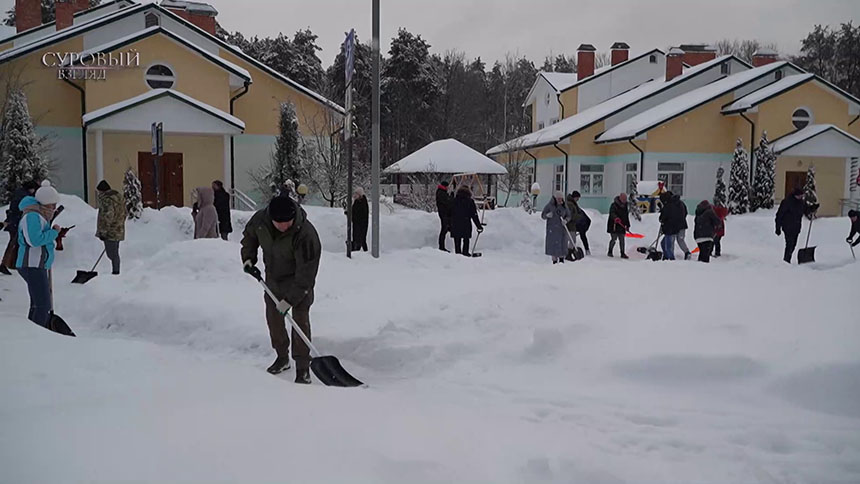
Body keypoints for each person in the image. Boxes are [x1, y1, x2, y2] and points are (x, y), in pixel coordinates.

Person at [241, 196, 322, 383]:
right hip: (273, 280)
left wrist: (290, 300)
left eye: (288, 223)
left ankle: (303, 367)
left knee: (300, 320)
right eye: (280, 223)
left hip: (299, 283)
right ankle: (282, 357)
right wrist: (248, 258)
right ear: (271, 218)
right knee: (274, 318)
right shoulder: (261, 221)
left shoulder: (306, 234)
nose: (285, 226)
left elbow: (306, 275)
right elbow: (249, 237)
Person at [16, 181, 61, 329]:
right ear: (44, 203)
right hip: (31, 264)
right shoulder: (32, 216)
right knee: (43, 305)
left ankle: (32, 331)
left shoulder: (39, 215)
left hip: (37, 264)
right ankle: (38, 337)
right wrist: (54, 233)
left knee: (37, 303)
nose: (54, 208)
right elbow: (34, 240)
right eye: (52, 205)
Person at [2, 180, 39, 275]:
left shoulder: (20, 193)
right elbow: (20, 209)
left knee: (14, 243)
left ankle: (9, 264)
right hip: (16, 222)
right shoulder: (24, 197)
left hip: (13, 221)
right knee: (14, 243)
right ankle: (5, 264)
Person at [775, 188, 818, 264]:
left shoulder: (801, 202)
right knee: (789, 244)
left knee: (793, 244)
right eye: (800, 196)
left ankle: (787, 259)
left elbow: (806, 210)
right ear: (795, 195)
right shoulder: (787, 202)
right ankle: (786, 260)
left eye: (802, 195)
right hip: (787, 227)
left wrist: (812, 208)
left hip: (796, 227)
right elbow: (779, 215)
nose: (801, 197)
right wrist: (778, 227)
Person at [95, 180, 125, 275]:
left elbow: (107, 216)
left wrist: (103, 232)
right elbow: (124, 213)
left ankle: (116, 272)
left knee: (111, 253)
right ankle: (116, 270)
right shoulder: (119, 198)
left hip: (110, 231)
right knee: (114, 251)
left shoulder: (107, 200)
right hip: (118, 229)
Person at [451, 185, 482, 256]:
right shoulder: (470, 201)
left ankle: (457, 254)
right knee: (466, 239)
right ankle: (465, 253)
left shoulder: (454, 200)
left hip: (455, 223)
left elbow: (450, 213)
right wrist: (478, 226)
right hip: (466, 223)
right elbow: (474, 215)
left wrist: (449, 224)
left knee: (457, 240)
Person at [543, 192, 571, 264]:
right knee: (553, 246)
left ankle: (562, 260)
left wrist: (566, 220)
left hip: (562, 230)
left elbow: (569, 216)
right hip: (552, 230)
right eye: (558, 198)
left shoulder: (564, 206)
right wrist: (547, 215)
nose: (559, 200)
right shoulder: (549, 206)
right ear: (555, 198)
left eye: (561, 198)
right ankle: (554, 261)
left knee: (562, 245)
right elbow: (543, 215)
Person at [658, 192, 685, 260]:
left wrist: (662, 218)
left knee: (668, 246)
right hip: (673, 227)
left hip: (670, 228)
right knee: (664, 243)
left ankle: (671, 258)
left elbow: (663, 217)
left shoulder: (669, 205)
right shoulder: (676, 204)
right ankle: (666, 256)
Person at [566, 190, 591, 256]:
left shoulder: (573, 203)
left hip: (573, 225)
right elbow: (571, 215)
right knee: (572, 240)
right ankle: (568, 253)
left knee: (572, 240)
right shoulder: (570, 204)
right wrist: (578, 217)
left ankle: (569, 252)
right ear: (574, 197)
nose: (578, 200)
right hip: (571, 225)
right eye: (577, 198)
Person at [607, 193, 630, 259]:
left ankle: (622, 253)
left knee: (622, 239)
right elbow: (612, 213)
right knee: (613, 239)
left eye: (625, 199)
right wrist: (616, 218)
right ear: (620, 198)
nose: (625, 200)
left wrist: (627, 225)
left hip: (621, 225)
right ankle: (610, 251)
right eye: (623, 199)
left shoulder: (625, 205)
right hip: (614, 225)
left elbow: (626, 216)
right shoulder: (614, 205)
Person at [435, 180, 453, 252]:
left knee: (445, 229)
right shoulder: (441, 193)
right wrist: (451, 197)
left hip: (444, 213)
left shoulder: (441, 192)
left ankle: (442, 246)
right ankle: (441, 246)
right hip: (444, 214)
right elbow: (447, 202)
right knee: (444, 229)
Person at [673, 193, 692, 260]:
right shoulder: (682, 204)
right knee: (680, 240)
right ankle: (687, 252)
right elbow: (685, 213)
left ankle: (670, 254)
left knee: (672, 239)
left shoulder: (673, 205)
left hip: (675, 225)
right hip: (683, 224)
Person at [351, 187, 369, 252]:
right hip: (356, 223)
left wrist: (354, 216)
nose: (355, 195)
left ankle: (363, 251)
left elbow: (361, 213)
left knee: (362, 239)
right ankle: (356, 250)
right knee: (356, 238)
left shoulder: (363, 202)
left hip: (361, 224)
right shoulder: (356, 201)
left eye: (356, 193)